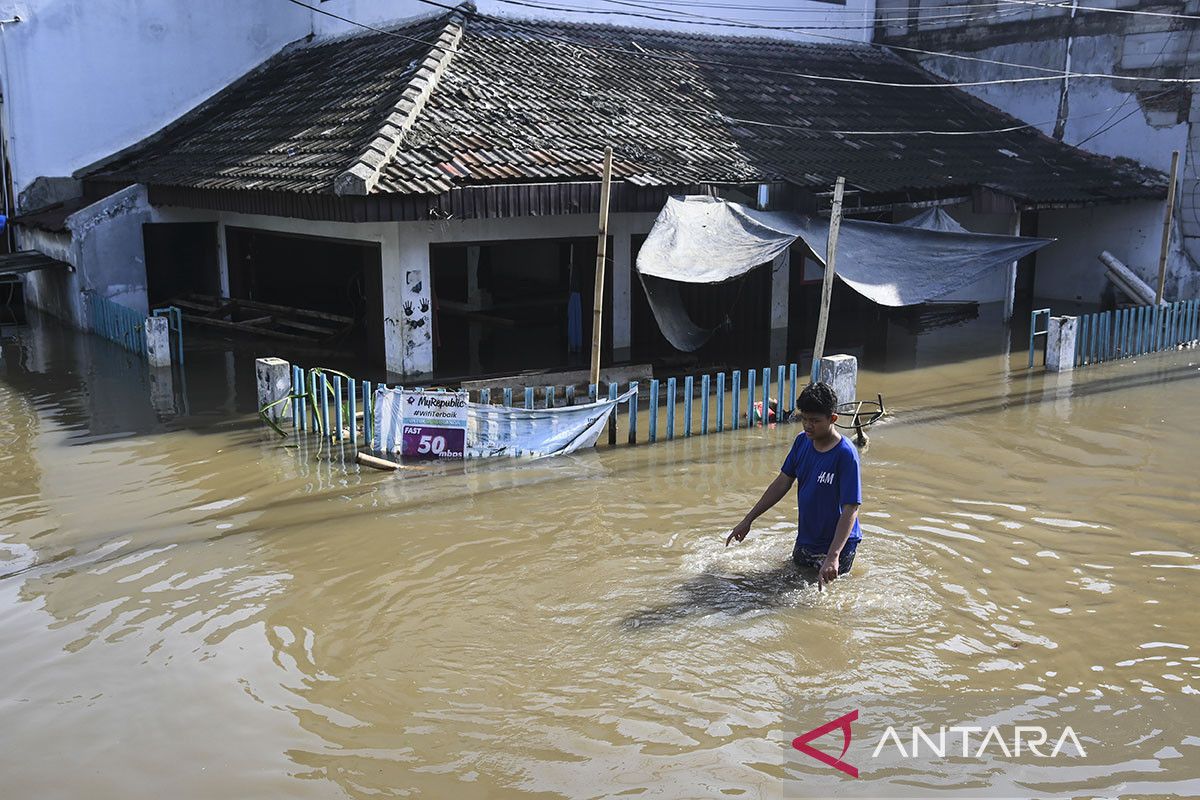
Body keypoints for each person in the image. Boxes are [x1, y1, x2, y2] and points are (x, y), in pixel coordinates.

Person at [726, 382, 862, 590]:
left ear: (832, 419)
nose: (808, 425)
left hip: (837, 546)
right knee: (788, 588)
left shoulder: (845, 454)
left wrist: (834, 556)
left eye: (815, 421)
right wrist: (748, 519)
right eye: (805, 419)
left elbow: (851, 508)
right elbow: (782, 482)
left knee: (823, 600)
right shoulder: (802, 442)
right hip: (808, 538)